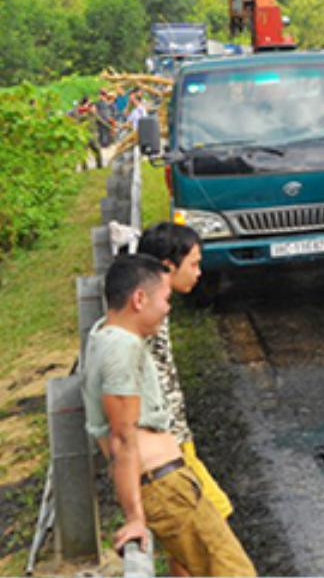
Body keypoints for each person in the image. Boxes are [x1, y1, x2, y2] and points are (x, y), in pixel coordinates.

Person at [82, 255, 255, 576]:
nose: (168, 308)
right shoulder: (122, 348)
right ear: (138, 299)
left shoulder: (103, 335)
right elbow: (122, 438)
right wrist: (135, 518)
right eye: (165, 299)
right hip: (165, 486)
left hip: (167, 483)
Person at [137, 223, 236, 576]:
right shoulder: (143, 315)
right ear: (166, 266)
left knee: (187, 544)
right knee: (212, 522)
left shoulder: (155, 307)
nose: (199, 272)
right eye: (193, 264)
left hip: (177, 442)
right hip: (166, 451)